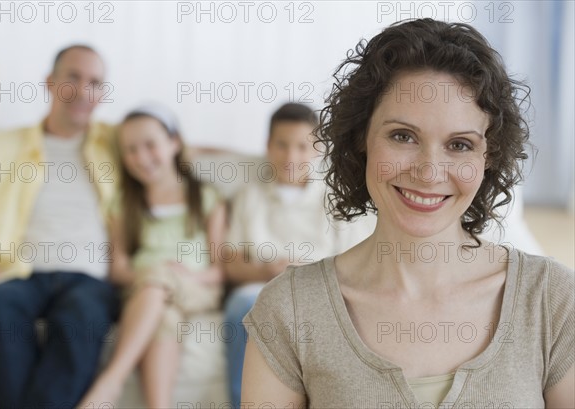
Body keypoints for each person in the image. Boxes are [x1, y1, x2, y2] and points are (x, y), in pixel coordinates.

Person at [241, 19, 574, 408]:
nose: (429, 171)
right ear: (361, 139)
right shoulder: (289, 310)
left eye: (460, 144)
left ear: (489, 157)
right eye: (403, 136)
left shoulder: (552, 299)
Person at [0, 45, 119, 408]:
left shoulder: (117, 144)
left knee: (82, 317)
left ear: (102, 94)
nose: (83, 90)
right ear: (50, 82)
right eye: (73, 77)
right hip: (19, 274)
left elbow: (169, 147)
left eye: (95, 82)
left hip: (88, 280)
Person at [78, 104, 227, 408]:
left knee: (159, 282)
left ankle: (110, 383)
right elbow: (117, 269)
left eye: (150, 145)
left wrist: (180, 276)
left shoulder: (205, 197)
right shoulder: (124, 201)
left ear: (174, 143)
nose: (142, 158)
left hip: (197, 288)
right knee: (165, 318)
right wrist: (154, 276)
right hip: (145, 291)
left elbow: (219, 269)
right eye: (131, 149)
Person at [223, 103, 356, 408]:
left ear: (317, 149)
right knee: (240, 307)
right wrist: (265, 271)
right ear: (268, 146)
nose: (291, 157)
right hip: (260, 290)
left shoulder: (334, 199)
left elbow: (351, 260)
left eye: (301, 146)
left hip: (316, 289)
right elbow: (230, 262)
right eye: (281, 145)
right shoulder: (250, 197)